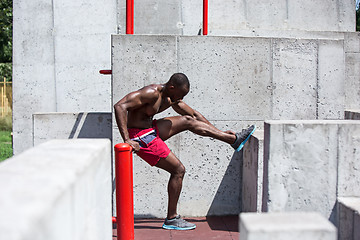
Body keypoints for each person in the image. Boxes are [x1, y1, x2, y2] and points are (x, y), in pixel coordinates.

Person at [114, 73, 255, 230]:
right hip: (140, 137)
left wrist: (220, 132)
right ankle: (171, 218)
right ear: (172, 87)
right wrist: (127, 140)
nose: (180, 98)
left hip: (150, 129)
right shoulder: (151, 93)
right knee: (178, 170)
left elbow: (194, 115)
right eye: (180, 94)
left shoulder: (170, 98)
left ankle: (232, 140)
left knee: (188, 120)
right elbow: (120, 106)